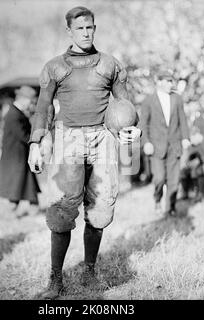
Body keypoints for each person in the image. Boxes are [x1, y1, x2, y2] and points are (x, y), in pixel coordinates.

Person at [27, 6, 141, 300]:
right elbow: (43, 108)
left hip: (102, 138)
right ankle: (55, 279)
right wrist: (36, 143)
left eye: (90, 27)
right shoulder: (54, 67)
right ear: (69, 31)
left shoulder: (110, 65)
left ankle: (89, 270)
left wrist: (131, 128)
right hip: (68, 138)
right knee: (62, 210)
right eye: (80, 28)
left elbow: (124, 106)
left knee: (101, 208)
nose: (86, 32)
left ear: (94, 28)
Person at [140, 69, 190, 216]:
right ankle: (157, 200)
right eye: (168, 81)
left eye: (171, 81)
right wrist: (146, 142)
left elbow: (183, 119)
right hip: (156, 147)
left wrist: (186, 137)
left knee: (174, 180)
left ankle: (170, 208)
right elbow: (143, 124)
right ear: (159, 82)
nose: (170, 84)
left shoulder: (177, 98)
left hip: (174, 146)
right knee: (159, 178)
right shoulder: (149, 100)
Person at [0, 86, 41, 214]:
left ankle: (30, 207)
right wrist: (36, 142)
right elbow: (23, 135)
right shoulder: (14, 114)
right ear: (23, 99)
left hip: (19, 155)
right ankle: (27, 208)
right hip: (16, 157)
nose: (31, 104)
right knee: (18, 185)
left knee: (21, 185)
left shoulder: (16, 112)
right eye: (31, 101)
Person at [180, 127, 204, 201]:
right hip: (200, 165)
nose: (191, 142)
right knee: (184, 170)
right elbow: (190, 156)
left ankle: (200, 193)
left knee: (198, 170)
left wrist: (199, 160)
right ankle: (186, 192)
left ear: (197, 135)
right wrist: (188, 162)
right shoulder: (194, 145)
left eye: (191, 139)